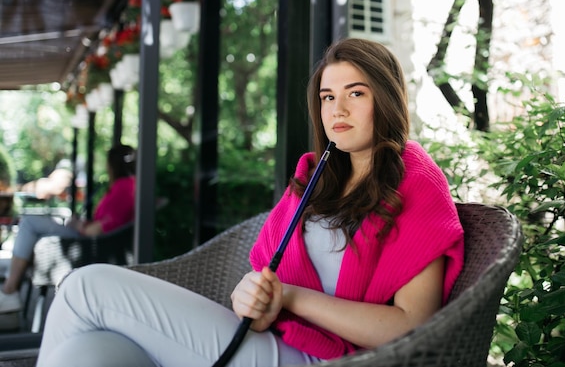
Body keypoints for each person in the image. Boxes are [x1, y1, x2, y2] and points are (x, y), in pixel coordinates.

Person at [35, 39, 464, 367]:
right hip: (273, 337)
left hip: (326, 359)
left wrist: (290, 299)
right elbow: (266, 270)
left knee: (84, 287)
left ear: (384, 98)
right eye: (328, 96)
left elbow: (413, 325)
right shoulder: (318, 174)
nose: (338, 108)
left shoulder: (415, 182)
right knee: (86, 351)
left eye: (356, 93)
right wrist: (253, 299)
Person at [0, 144, 136, 314]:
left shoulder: (123, 189)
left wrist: (78, 225)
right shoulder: (127, 186)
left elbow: (98, 230)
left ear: (113, 165)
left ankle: (9, 290)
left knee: (29, 224)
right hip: (88, 239)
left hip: (87, 243)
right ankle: (11, 288)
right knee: (33, 230)